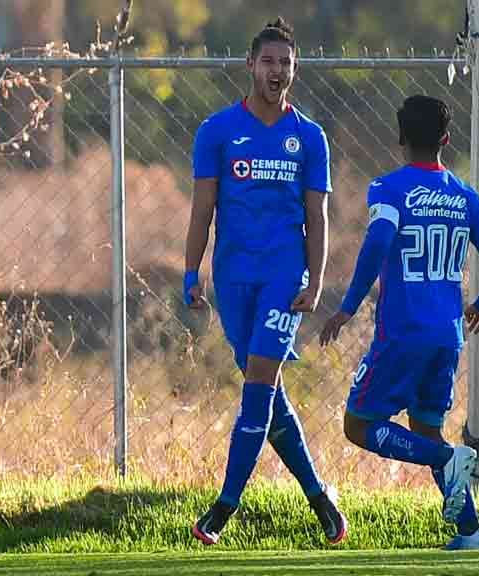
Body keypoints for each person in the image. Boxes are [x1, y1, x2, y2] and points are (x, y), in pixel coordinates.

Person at [319, 94, 479, 550]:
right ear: (445, 140)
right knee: (424, 427)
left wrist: (347, 307)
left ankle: (447, 458)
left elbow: (378, 242)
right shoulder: (465, 197)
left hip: (403, 334)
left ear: (401, 137)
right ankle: (471, 531)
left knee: (359, 424)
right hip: (449, 336)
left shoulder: (388, 189)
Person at [183, 16, 346, 546]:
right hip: (233, 280)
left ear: (294, 70)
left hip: (283, 277)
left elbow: (317, 217)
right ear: (251, 65)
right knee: (267, 397)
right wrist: (191, 270)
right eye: (268, 61)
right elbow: (203, 209)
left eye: (286, 63)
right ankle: (321, 499)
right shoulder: (217, 132)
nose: (277, 71)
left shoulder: (310, 138)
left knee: (257, 391)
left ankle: (222, 508)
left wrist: (315, 281)